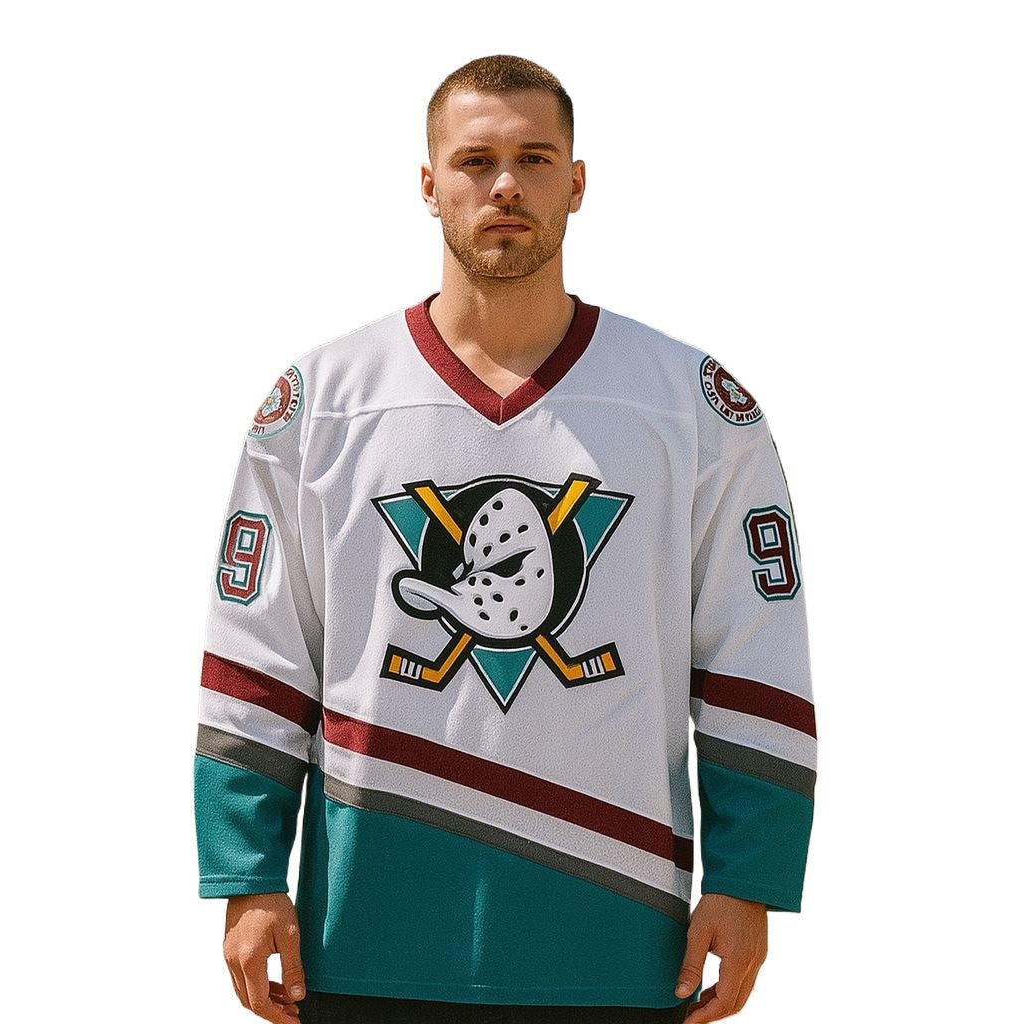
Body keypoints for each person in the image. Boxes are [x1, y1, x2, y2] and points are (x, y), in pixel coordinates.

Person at [194, 55, 816, 1024]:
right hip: (367, 935)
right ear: (428, 182)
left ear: (577, 181)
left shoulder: (691, 404)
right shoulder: (322, 402)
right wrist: (246, 872)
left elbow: (753, 647)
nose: (505, 186)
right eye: (475, 160)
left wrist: (749, 878)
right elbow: (260, 648)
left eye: (534, 158)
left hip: (619, 939)